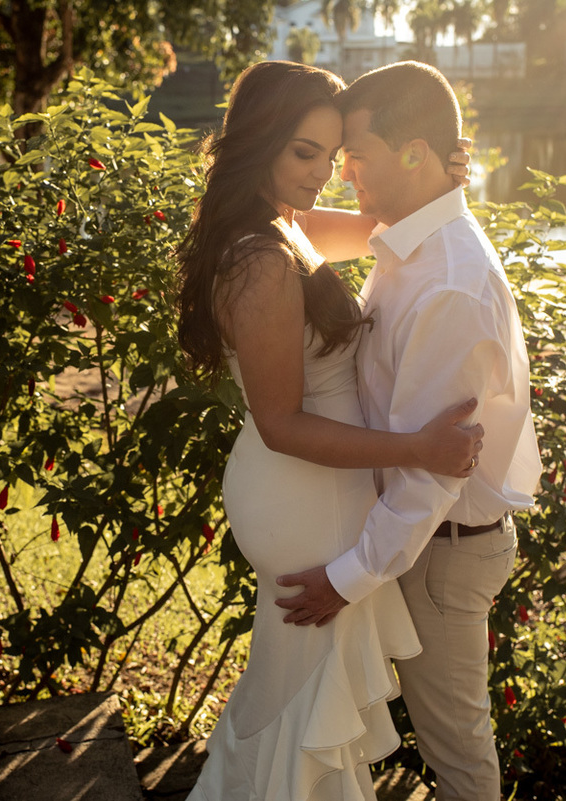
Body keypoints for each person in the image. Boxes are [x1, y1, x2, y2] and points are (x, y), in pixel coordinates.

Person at [176, 60, 483, 801]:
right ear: (261, 144)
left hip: (313, 489)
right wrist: (417, 448)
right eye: (305, 153)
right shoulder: (262, 260)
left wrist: (443, 170)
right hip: (301, 493)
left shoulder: (284, 221)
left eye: (336, 153)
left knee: (298, 692)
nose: (326, 173)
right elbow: (281, 422)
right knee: (307, 700)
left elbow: (387, 220)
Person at [275, 61, 543, 800]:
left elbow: (433, 471)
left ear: (415, 152)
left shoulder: (450, 281)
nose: (344, 173)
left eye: (356, 156)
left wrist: (346, 576)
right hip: (414, 543)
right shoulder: (407, 243)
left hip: (438, 551)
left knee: (457, 756)